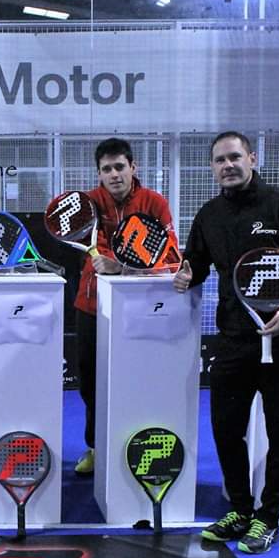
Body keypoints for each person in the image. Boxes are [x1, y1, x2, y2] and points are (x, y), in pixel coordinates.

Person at [173, 131, 279, 554]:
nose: (228, 165)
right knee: (226, 430)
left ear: (253, 159)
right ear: (212, 168)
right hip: (234, 344)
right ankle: (240, 509)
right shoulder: (208, 215)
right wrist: (187, 276)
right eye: (220, 160)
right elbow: (198, 266)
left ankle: (268, 517)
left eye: (235, 157)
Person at [73, 138, 178, 476]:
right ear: (99, 173)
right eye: (107, 169)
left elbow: (171, 254)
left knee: (133, 380)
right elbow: (94, 249)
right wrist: (118, 260)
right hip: (90, 307)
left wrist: (123, 266)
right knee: (90, 385)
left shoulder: (155, 203)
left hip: (139, 311)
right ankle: (96, 448)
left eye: (120, 167)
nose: (114, 174)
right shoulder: (88, 204)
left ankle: (131, 449)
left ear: (134, 167)